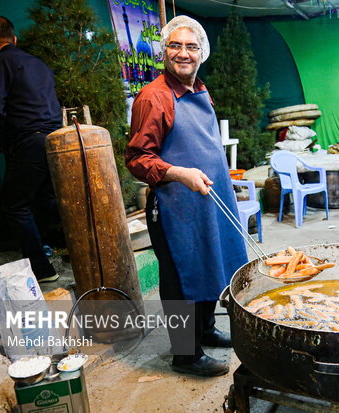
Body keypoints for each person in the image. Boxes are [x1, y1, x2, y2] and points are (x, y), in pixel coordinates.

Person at [125, 16, 247, 377]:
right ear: (164, 52)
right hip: (176, 205)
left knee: (212, 264)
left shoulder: (198, 90)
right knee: (181, 278)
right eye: (175, 46)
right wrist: (179, 173)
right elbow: (137, 158)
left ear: (202, 53)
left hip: (206, 200)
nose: (183, 53)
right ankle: (185, 354)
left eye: (191, 47)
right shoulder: (154, 97)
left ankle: (205, 329)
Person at [0, 15, 61, 282]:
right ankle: (51, 250)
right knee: (44, 200)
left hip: (29, 141)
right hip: (55, 140)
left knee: (14, 206)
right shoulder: (40, 64)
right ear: (14, 38)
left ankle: (42, 269)